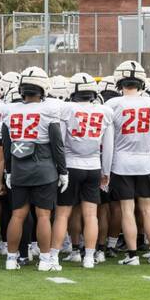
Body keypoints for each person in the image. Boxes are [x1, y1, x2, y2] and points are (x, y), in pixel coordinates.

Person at [2, 66, 68, 271]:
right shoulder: (49, 110)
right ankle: (46, 260)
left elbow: (6, 145)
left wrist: (9, 170)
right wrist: (63, 171)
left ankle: (11, 259)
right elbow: (57, 144)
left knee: (17, 215)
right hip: (43, 167)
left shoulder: (10, 111)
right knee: (43, 216)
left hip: (20, 168)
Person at [105, 60, 150, 266]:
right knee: (148, 208)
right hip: (145, 161)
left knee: (127, 209)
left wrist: (106, 169)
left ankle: (132, 255)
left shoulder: (112, 105)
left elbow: (109, 143)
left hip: (121, 162)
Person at [52, 73, 112, 269]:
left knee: (62, 214)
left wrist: (59, 168)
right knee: (91, 215)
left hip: (70, 165)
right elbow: (108, 146)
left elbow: (59, 141)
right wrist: (106, 171)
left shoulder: (66, 109)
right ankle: (89, 257)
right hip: (94, 166)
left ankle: (53, 256)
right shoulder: (104, 110)